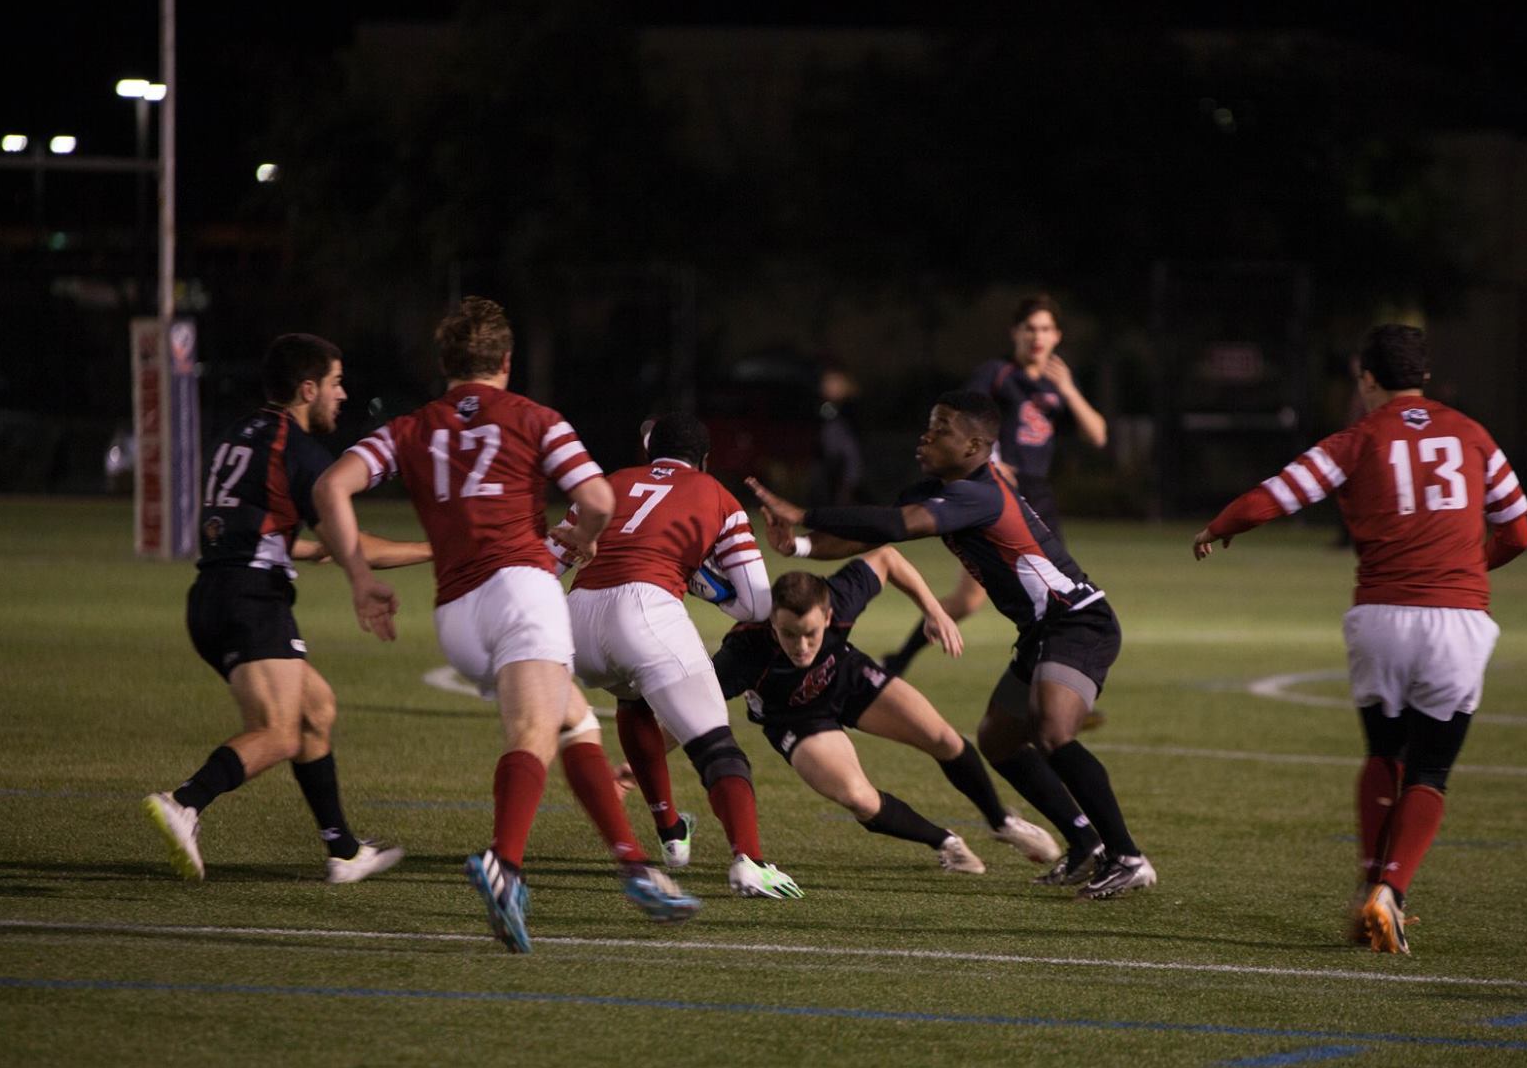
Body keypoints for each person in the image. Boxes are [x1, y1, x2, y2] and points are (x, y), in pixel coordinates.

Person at [314, 296, 696, 954]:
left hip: (457, 614)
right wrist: (584, 539)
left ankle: (634, 864)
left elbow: (329, 489)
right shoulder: (535, 418)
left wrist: (360, 577)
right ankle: (504, 863)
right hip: (521, 589)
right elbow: (597, 498)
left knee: (573, 719)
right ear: (508, 362)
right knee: (533, 728)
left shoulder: (410, 427)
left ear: (444, 364)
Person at [1193, 324, 1527, 955]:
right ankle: (1392, 892)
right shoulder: (1474, 435)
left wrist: (1221, 525)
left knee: (1385, 753)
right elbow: (1518, 532)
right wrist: (1464, 570)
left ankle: (1370, 887)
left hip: (1380, 617)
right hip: (1456, 618)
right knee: (1430, 768)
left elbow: (1281, 493)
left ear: (1367, 377)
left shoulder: (1358, 439)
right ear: (1424, 376)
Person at [748, 388, 1155, 900]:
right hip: (1040, 633)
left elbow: (895, 525)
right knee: (999, 740)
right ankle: (1084, 844)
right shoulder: (941, 487)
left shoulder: (979, 493)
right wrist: (801, 545)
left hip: (1077, 622)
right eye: (929, 424)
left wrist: (806, 513)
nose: (927, 434)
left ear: (974, 446)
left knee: (1052, 730)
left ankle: (1127, 856)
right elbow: (873, 536)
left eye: (942, 428)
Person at [142, 334, 427, 885]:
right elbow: (351, 545)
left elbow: (246, 527)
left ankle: (343, 850)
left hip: (215, 595)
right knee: (278, 732)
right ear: (307, 387)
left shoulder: (238, 437)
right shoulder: (296, 451)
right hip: (251, 600)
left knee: (315, 709)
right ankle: (184, 802)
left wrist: (309, 548)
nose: (342, 395)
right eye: (336, 383)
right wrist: (429, 553)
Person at [550, 411, 802, 901]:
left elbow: (550, 557)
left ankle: (669, 830)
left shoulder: (610, 482)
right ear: (705, 460)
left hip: (575, 617)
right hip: (647, 611)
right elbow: (756, 604)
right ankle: (749, 860)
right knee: (717, 748)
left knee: (632, 700)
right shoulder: (718, 497)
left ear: (649, 452)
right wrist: (703, 584)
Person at [708, 549, 1062, 873]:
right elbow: (687, 709)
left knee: (943, 738)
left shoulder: (840, 597)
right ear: (772, 622)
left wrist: (934, 611)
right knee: (857, 798)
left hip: (847, 679)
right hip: (795, 719)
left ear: (829, 616)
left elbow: (888, 558)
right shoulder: (743, 651)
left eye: (811, 633)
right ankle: (945, 842)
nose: (801, 647)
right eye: (788, 634)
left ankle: (1001, 822)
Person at [881, 296, 1108, 708]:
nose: (1037, 337)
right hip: (996, 497)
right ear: (1015, 333)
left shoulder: (1055, 386)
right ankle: (897, 661)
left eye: (1045, 329)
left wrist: (1069, 389)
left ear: (1057, 335)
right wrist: (995, 464)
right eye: (1029, 329)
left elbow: (1098, 435)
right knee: (979, 600)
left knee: (1055, 598)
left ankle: (1061, 686)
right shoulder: (998, 375)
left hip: (1038, 497)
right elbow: (964, 422)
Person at [810, 361, 867, 507]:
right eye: (826, 382)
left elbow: (853, 447)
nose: (828, 386)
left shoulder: (850, 407)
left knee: (848, 486)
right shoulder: (822, 406)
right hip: (828, 458)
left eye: (833, 382)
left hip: (846, 457)